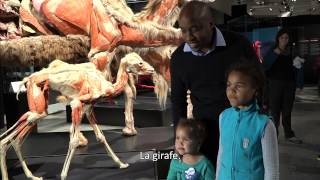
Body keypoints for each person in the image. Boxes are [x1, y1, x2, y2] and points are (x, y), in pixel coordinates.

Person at [170, 0, 259, 165]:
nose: (188, 37)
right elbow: (177, 101)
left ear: (211, 23)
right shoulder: (178, 58)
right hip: (204, 132)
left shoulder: (239, 45)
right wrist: (180, 138)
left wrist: (260, 120)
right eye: (183, 30)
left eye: (195, 29)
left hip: (241, 127)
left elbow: (259, 82)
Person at [216, 61, 279, 180]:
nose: (231, 90)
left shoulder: (265, 125)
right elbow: (221, 155)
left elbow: (272, 171)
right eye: (229, 85)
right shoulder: (224, 117)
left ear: (255, 89)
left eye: (239, 86)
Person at [263, 28, 302, 144]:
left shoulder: (291, 51)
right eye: (282, 38)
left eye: (286, 38)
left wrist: (298, 70)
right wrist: (276, 53)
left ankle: (289, 134)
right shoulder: (273, 51)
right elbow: (265, 66)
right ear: (278, 39)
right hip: (275, 84)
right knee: (274, 111)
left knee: (287, 110)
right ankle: (274, 135)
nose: (284, 40)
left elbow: (297, 68)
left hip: (289, 84)